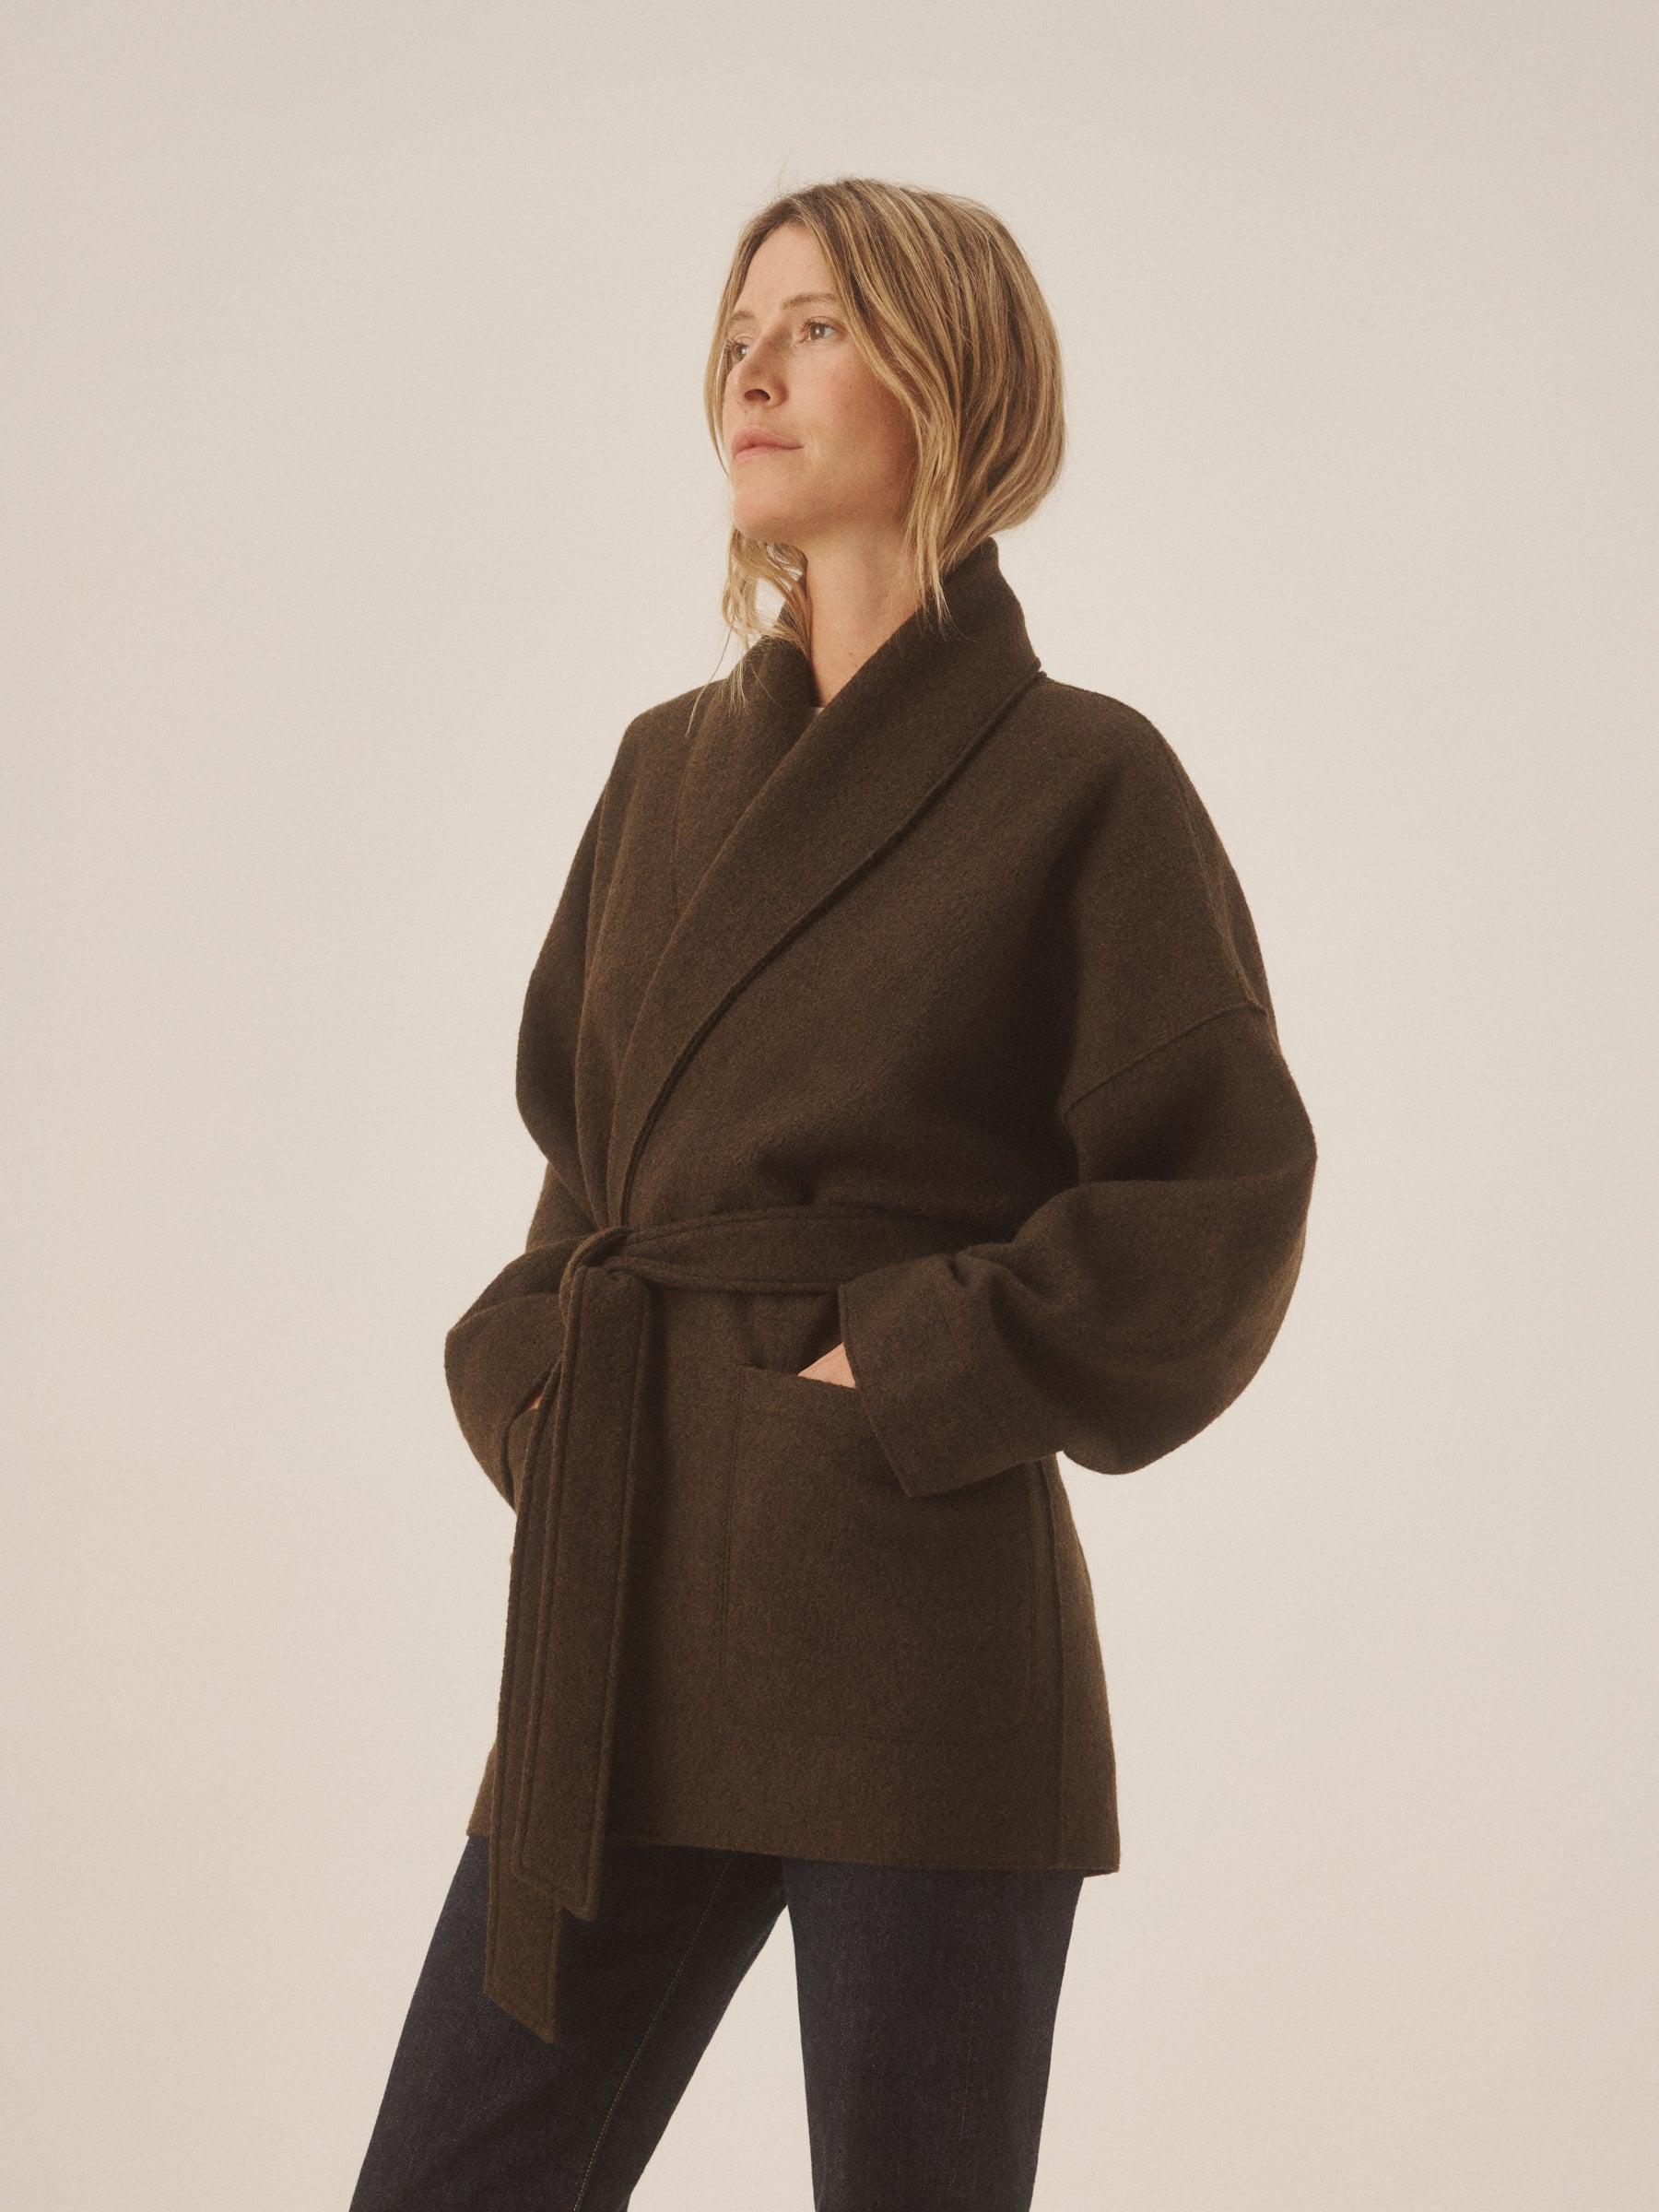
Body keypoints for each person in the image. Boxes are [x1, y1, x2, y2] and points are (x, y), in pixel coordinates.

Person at [348, 175, 1317, 2212]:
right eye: (737, 335)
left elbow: (1217, 1189)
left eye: (815, 328)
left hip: (910, 1618)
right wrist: (535, 1380)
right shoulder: (659, 771)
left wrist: (918, 1364)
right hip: (619, 1617)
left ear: (950, 373)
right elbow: (585, 1157)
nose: (753, 374)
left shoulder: (1083, 776)